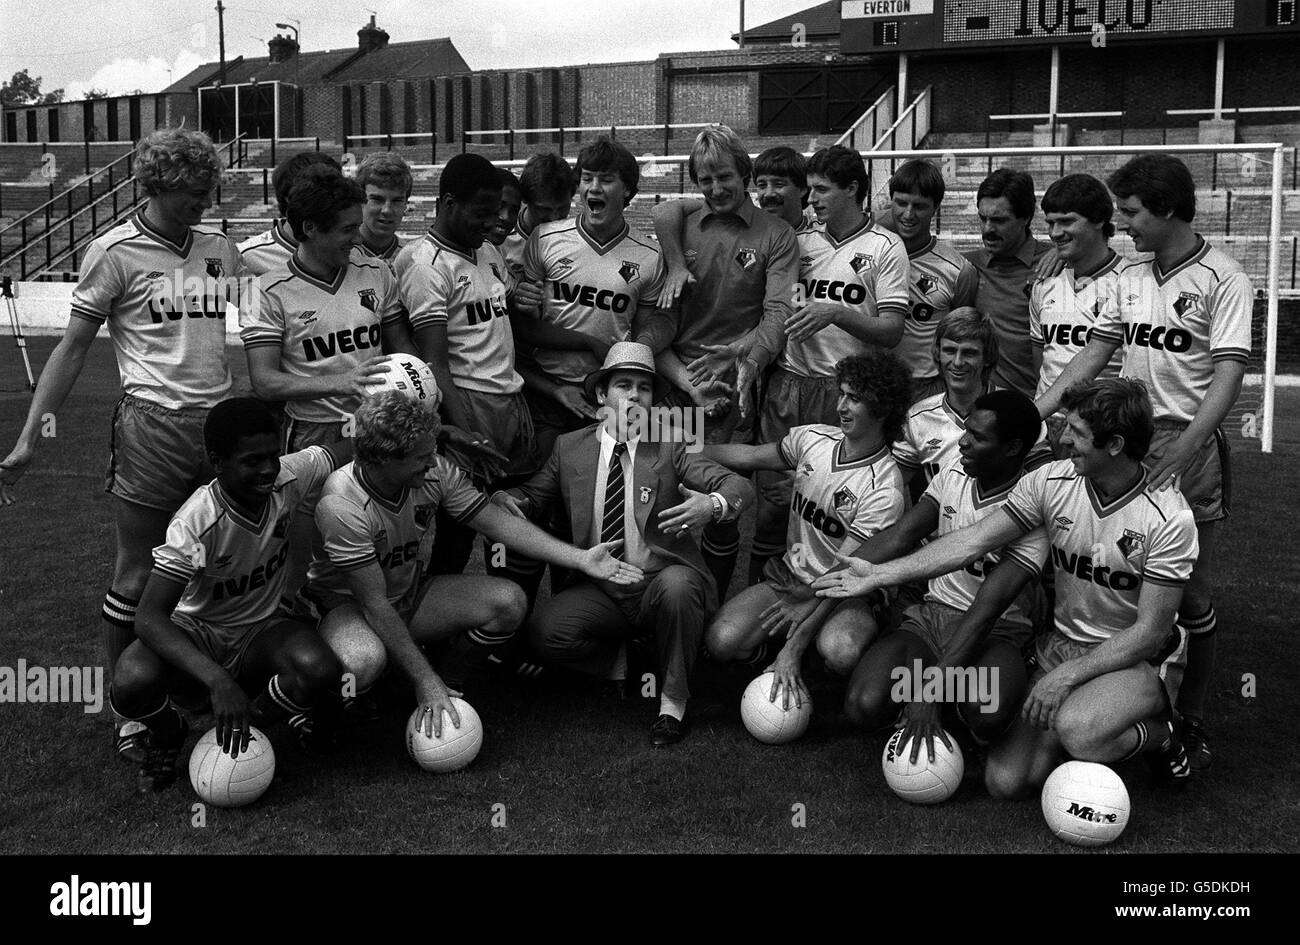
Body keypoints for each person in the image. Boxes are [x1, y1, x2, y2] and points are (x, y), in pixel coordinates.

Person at [816, 378, 1198, 795]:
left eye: (1077, 434)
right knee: (1007, 782)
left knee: (1079, 731)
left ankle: (1164, 734)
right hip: (1063, 644)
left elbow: (1151, 632)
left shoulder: (1168, 517)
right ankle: (1075, 720)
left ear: (1115, 444)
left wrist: (1068, 676)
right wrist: (878, 573)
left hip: (1132, 658)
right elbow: (973, 540)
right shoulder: (1052, 482)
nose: (1063, 440)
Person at [0, 127, 244, 762]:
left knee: (210, 566)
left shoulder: (219, 246)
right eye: (190, 192)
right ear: (154, 187)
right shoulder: (115, 251)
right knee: (139, 570)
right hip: (151, 429)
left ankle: (194, 685)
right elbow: (74, 346)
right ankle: (129, 713)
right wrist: (32, 437)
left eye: (207, 189)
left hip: (217, 428)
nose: (201, 201)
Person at [1035, 154, 1252, 769]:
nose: (1123, 223)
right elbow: (1095, 352)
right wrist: (1035, 414)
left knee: (1192, 594)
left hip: (1188, 443)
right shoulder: (1127, 277)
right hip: (1125, 440)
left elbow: (1229, 376)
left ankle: (1193, 718)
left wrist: (1183, 450)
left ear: (1168, 209)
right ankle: (1123, 689)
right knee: (1108, 562)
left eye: (1130, 213)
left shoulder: (1224, 277)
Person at [307, 391, 642, 735]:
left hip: (407, 593)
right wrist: (425, 680)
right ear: (385, 460)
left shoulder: (434, 471)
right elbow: (375, 605)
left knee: (509, 602)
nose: (432, 461)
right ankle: (321, 720)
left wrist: (582, 558)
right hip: (352, 607)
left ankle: (449, 683)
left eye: (432, 450)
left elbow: (497, 522)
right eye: (422, 456)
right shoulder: (342, 504)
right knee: (363, 662)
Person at [494, 342, 754, 744]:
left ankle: (672, 704)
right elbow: (534, 494)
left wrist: (713, 504)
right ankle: (625, 661)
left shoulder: (672, 443)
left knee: (679, 586)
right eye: (624, 385)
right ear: (602, 395)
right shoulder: (569, 447)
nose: (634, 395)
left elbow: (737, 487)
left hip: (660, 583)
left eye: (645, 388)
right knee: (547, 633)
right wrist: (511, 500)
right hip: (603, 586)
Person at [110, 399, 349, 792]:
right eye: (253, 461)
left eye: (273, 456)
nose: (269, 470)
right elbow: (149, 618)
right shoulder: (195, 522)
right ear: (217, 462)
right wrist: (219, 681)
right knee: (131, 677)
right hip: (200, 632)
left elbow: (348, 447)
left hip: (261, 630)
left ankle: (242, 733)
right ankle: (170, 733)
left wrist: (436, 432)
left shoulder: (291, 476)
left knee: (319, 669)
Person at [841, 389, 1049, 761]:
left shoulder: (1033, 507)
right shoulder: (955, 470)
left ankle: (943, 698)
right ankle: (939, 693)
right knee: (864, 705)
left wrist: (932, 689)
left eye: (978, 438)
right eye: (966, 431)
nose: (963, 443)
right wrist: (833, 578)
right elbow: (901, 535)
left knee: (987, 714)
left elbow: (987, 609)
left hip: (994, 633)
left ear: (1013, 448)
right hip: (931, 620)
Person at [239, 166, 412, 603]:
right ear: (310, 228)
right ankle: (307, 649)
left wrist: (418, 386)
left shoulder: (376, 271)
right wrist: (341, 381)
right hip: (313, 436)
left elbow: (402, 350)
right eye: (347, 228)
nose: (357, 237)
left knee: (382, 547)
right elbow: (264, 382)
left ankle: (379, 637)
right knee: (307, 561)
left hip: (378, 431)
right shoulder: (267, 290)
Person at [702, 350, 911, 710]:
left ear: (883, 408)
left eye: (855, 399)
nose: (842, 406)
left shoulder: (884, 489)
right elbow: (749, 457)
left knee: (842, 650)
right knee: (722, 641)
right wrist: (686, 447)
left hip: (847, 593)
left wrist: (793, 649)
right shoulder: (814, 439)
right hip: (792, 578)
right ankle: (774, 650)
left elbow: (841, 577)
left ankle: (828, 659)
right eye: (842, 393)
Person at [642, 124, 799, 595]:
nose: (716, 189)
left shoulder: (778, 235)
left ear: (745, 173)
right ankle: (661, 601)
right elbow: (657, 324)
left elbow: (780, 310)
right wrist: (674, 261)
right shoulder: (683, 227)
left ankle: (710, 601)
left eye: (725, 177)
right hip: (674, 386)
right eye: (705, 181)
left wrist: (747, 351)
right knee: (656, 496)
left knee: (722, 509)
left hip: (728, 394)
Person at [746, 146, 909, 583]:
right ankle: (758, 604)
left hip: (844, 394)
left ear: (852, 188)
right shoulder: (798, 243)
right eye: (811, 189)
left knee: (828, 511)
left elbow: (893, 330)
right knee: (773, 505)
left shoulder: (886, 247)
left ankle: (824, 600)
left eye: (821, 189)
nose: (812, 198)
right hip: (789, 383)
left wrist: (836, 312)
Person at [396, 153, 537, 574]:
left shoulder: (488, 251)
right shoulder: (424, 264)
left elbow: (494, 322)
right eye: (480, 213)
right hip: (469, 403)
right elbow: (436, 363)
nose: (490, 222)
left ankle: (501, 618)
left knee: (509, 522)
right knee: (460, 525)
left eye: (495, 213)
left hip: (510, 399)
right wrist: (466, 433)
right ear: (449, 203)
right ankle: (441, 619)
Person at [514, 137, 666, 461]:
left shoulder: (650, 256)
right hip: (547, 392)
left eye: (606, 179)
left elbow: (645, 331)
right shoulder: (545, 238)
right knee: (541, 491)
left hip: (608, 397)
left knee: (600, 489)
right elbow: (525, 326)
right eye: (586, 178)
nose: (593, 187)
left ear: (627, 190)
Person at [1031, 173, 1125, 455]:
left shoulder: (1131, 281)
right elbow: (1042, 356)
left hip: (1101, 428)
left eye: (1067, 221)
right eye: (1050, 222)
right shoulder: (1044, 283)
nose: (1055, 232)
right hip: (1047, 424)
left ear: (1099, 220)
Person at [884, 159, 979, 403]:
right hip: (875, 381)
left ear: (935, 207)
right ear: (890, 201)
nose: (908, 214)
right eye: (901, 203)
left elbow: (959, 335)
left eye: (919, 206)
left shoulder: (958, 270)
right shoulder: (872, 253)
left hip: (925, 388)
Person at [963, 167, 1053, 399]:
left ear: (1025, 217)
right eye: (983, 218)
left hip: (1039, 404)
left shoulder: (1056, 267)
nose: (987, 229)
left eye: (999, 220)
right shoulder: (967, 265)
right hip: (985, 406)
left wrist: (1064, 254)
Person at [893, 307, 1000, 491]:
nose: (958, 362)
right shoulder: (917, 417)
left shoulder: (1015, 409)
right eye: (950, 351)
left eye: (969, 353)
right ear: (938, 353)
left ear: (987, 357)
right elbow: (892, 485)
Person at [239, 150, 342, 276]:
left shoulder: (352, 251)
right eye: (322, 195)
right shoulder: (247, 257)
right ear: (290, 197)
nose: (334, 202)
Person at [502, 151, 576, 284]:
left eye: (562, 208)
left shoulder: (577, 239)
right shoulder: (501, 239)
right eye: (544, 209)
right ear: (524, 198)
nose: (554, 218)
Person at [354, 151, 414, 269]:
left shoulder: (413, 260)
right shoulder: (340, 257)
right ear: (360, 200)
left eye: (396, 201)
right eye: (377, 199)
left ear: (406, 203)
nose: (387, 210)